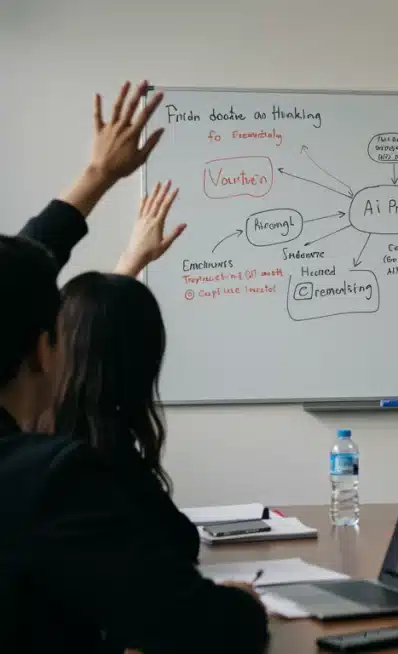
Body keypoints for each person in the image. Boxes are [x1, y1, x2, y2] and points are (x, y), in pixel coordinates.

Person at [0, 80, 268, 653]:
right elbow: (206, 631)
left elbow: (14, 289)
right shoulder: (47, 480)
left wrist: (98, 184)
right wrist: (244, 604)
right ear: (45, 348)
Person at [37, 180, 196, 563]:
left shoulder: (30, 429)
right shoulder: (102, 459)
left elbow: (90, 336)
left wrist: (130, 262)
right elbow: (179, 543)